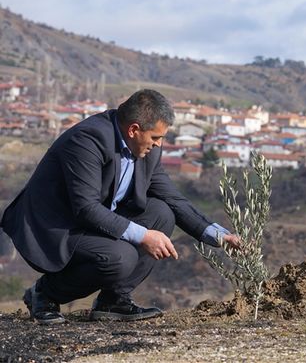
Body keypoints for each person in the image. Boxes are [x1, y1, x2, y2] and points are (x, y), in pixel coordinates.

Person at [0, 89, 241, 324]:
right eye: (155, 137)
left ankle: (113, 301)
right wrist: (143, 235)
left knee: (162, 213)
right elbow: (85, 208)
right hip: (56, 226)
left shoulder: (145, 149)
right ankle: (44, 293)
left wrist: (219, 236)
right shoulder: (88, 140)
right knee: (119, 257)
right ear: (134, 129)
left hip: (95, 219)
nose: (158, 145)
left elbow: (173, 199)